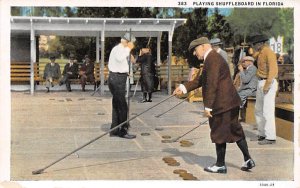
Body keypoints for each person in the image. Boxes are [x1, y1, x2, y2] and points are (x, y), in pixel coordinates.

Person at [173, 37, 255, 174]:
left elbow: (211, 83)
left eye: (195, 50)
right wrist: (183, 87)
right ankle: (248, 159)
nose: (194, 53)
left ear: (204, 46)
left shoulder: (212, 59)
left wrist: (208, 107)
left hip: (222, 104)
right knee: (235, 130)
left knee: (219, 133)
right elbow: (200, 80)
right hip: (230, 102)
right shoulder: (211, 58)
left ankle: (220, 165)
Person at [249, 34, 278, 145]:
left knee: (267, 111)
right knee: (258, 110)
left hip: (268, 82)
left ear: (260, 43)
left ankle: (270, 137)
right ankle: (262, 134)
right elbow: (254, 55)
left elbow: (273, 70)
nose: (254, 46)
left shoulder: (268, 52)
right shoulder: (261, 52)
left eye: (255, 44)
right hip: (261, 81)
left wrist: (267, 85)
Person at [107, 33, 136, 139]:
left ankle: (114, 129)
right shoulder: (119, 49)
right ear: (126, 41)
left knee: (117, 104)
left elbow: (120, 63)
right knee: (123, 106)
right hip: (117, 79)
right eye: (130, 43)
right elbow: (119, 58)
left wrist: (126, 71)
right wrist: (128, 49)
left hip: (117, 77)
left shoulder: (120, 49)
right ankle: (123, 131)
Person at [236, 56, 258, 122]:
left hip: (252, 90)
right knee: (236, 94)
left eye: (244, 61)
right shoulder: (248, 68)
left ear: (250, 62)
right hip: (247, 89)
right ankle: (239, 115)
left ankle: (236, 115)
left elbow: (245, 80)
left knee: (239, 96)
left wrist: (242, 71)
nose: (243, 63)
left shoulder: (253, 68)